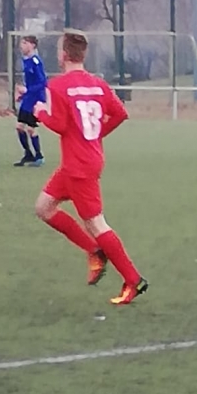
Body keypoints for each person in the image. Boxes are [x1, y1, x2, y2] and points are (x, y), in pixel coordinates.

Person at [33, 31, 148, 306]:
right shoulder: (98, 84)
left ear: (63, 55)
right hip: (81, 162)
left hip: (78, 167)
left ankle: (133, 279)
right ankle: (93, 250)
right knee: (44, 208)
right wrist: (94, 136)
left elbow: (60, 124)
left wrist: (40, 112)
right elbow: (120, 113)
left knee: (96, 223)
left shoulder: (57, 86)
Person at [14, 35, 48, 167]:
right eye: (22, 43)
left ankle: (39, 157)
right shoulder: (26, 60)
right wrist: (22, 94)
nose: (22, 46)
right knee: (19, 127)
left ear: (32, 45)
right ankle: (28, 154)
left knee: (30, 129)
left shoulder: (36, 61)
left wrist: (27, 90)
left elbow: (43, 82)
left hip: (36, 100)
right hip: (28, 99)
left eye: (25, 43)